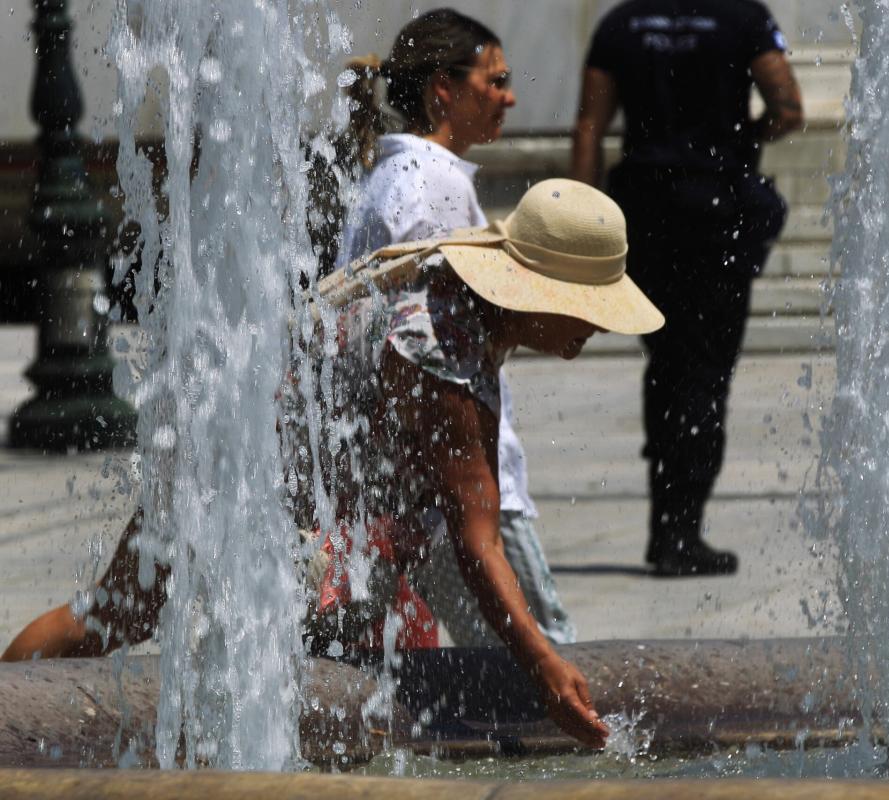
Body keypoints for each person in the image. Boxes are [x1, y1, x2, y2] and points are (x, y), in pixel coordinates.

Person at [2, 178, 664, 749]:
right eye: (587, 307)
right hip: (234, 463)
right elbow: (475, 540)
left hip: (251, 452)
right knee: (121, 615)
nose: (598, 325)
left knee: (130, 615)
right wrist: (545, 662)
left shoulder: (463, 302)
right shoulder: (441, 354)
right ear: (537, 290)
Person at [335, 9, 576, 647]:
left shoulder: (398, 175)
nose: (510, 95)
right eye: (494, 81)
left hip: (415, 482)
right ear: (444, 87)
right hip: (454, 480)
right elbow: (425, 340)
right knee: (541, 656)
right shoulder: (430, 183)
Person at [570, 0, 804, 577]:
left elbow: (590, 128)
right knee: (705, 369)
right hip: (716, 206)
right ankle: (681, 531)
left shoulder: (621, 24)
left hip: (645, 209)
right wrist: (742, 138)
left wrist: (578, 217)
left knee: (666, 361)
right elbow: (789, 107)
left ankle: (666, 527)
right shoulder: (742, 17)